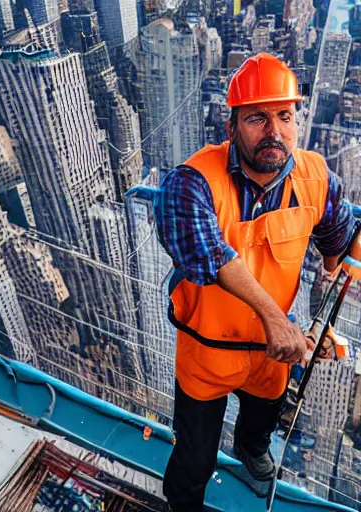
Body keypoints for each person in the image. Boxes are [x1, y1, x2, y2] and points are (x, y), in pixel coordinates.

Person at [154, 53, 361, 512]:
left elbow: (337, 244)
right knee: (194, 458)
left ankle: (250, 450)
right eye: (256, 118)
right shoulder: (191, 183)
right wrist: (278, 321)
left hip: (273, 354)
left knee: (260, 425)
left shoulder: (316, 178)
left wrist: (321, 314)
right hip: (207, 350)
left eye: (284, 116)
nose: (274, 131)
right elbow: (207, 252)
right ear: (232, 128)